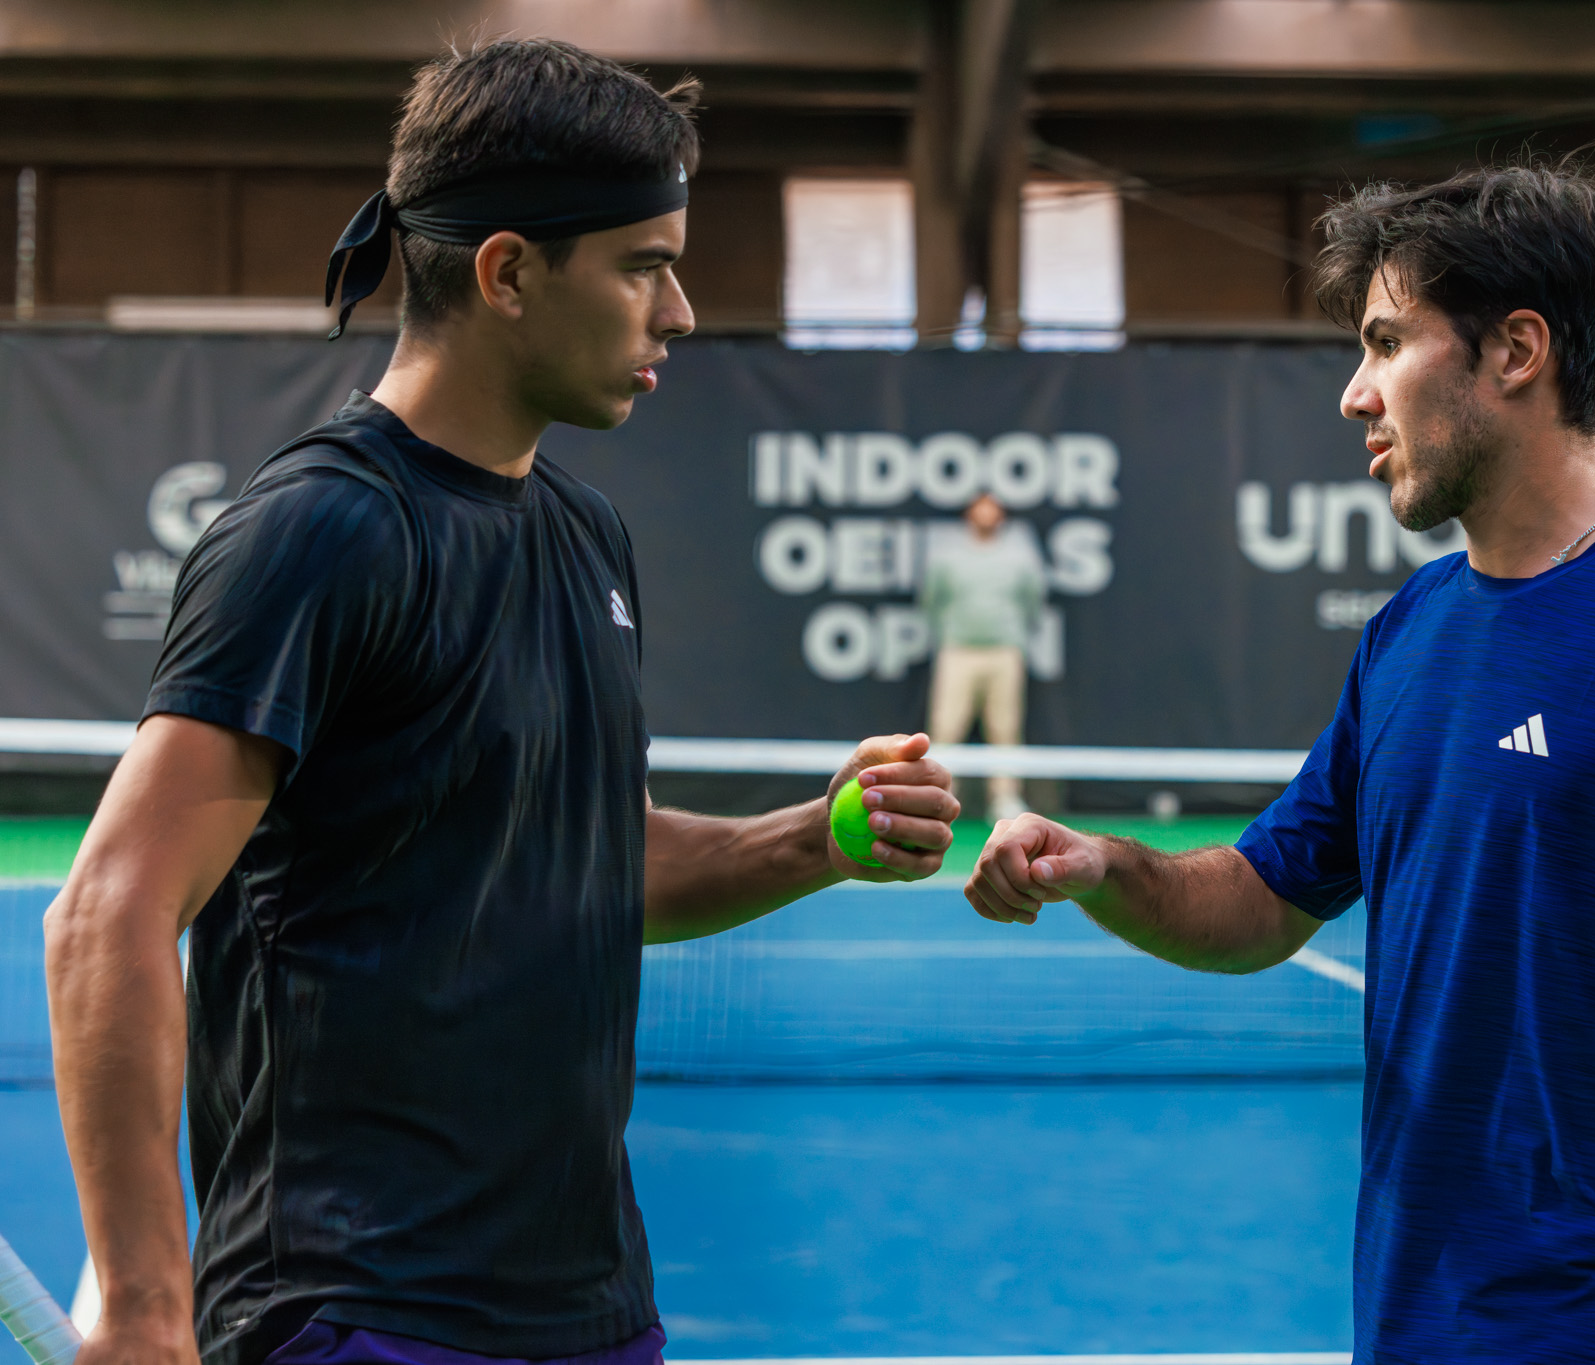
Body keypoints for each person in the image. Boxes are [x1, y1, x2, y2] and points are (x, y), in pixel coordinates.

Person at [43, 40, 959, 1365]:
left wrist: (819, 834)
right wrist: (140, 1306)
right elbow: (109, 911)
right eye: (645, 264)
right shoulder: (319, 532)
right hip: (358, 1316)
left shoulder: (587, 537)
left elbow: (602, 856)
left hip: (590, 1310)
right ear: (509, 271)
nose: (683, 310)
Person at [967, 162, 1595, 1365]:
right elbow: (1258, 902)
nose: (1356, 393)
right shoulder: (1407, 632)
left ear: (1513, 351)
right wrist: (1099, 863)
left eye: (1384, 342)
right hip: (1410, 1319)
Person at [919, 491, 1047, 821]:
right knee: (946, 727)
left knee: (1004, 728)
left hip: (1004, 652)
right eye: (980, 509)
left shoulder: (1020, 555)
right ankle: (939, 797)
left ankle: (1004, 799)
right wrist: (950, 634)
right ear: (969, 515)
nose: (987, 515)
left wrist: (1013, 634)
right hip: (958, 651)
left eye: (993, 510)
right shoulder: (948, 556)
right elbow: (931, 599)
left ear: (1001, 516)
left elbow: (1033, 599)